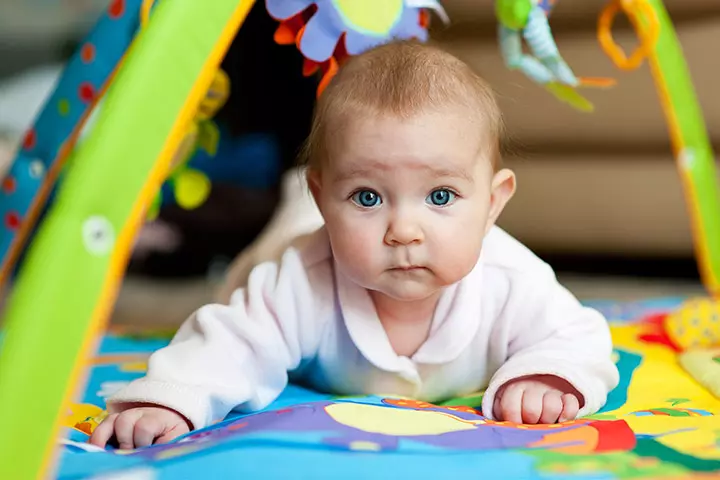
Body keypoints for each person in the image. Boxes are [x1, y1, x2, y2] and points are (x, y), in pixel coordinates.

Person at [90, 40, 619, 450]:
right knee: (249, 280)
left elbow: (579, 337)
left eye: (441, 195)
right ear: (327, 199)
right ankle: (297, 198)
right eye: (369, 196)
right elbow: (232, 342)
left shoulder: (511, 278)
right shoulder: (298, 278)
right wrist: (173, 402)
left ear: (493, 203)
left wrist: (546, 374)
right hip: (284, 245)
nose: (404, 230)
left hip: (326, 217)